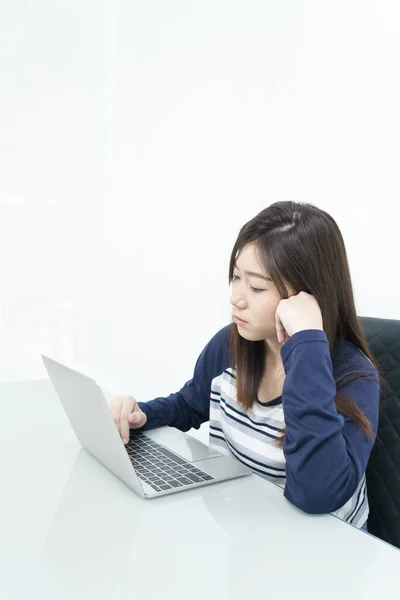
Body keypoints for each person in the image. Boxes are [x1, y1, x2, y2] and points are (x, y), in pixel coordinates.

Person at [108, 201, 382, 530]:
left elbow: (316, 494)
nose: (237, 297)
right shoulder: (231, 345)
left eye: (256, 286)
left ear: (307, 297)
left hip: (325, 557)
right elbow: (189, 404)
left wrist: (306, 342)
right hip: (248, 539)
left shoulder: (353, 378)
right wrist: (141, 414)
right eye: (236, 277)